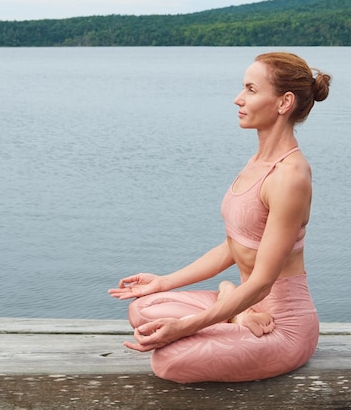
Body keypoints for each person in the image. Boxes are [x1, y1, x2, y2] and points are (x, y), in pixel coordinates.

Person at [108, 52, 331, 383]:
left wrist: (184, 327)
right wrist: (163, 281)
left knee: (168, 361)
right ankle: (235, 312)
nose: (238, 99)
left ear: (284, 102)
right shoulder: (257, 162)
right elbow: (234, 246)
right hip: (248, 304)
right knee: (142, 309)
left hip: (282, 327)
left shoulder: (290, 177)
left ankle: (233, 306)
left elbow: (262, 281)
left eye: (251, 90)